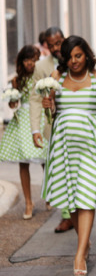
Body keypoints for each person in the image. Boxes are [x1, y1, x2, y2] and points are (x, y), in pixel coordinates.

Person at [41, 35, 96, 275]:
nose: (73, 62)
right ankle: (85, 242)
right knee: (72, 199)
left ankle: (80, 254)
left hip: (93, 147)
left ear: (87, 54)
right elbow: (50, 117)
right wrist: (47, 106)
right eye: (69, 58)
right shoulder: (56, 78)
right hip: (63, 148)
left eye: (78, 56)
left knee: (86, 196)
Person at [29, 26, 73, 233]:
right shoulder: (40, 66)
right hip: (52, 127)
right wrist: (35, 129)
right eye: (51, 44)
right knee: (60, 171)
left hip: (75, 123)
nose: (56, 48)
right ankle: (66, 216)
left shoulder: (76, 57)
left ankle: (78, 210)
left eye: (58, 43)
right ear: (45, 44)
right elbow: (35, 99)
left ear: (64, 39)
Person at [0, 45, 48, 220]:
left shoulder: (42, 76)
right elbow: (14, 106)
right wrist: (11, 99)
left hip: (40, 117)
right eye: (27, 60)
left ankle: (49, 195)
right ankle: (29, 202)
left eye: (34, 59)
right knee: (23, 162)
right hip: (22, 121)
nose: (30, 63)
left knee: (45, 159)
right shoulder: (16, 80)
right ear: (21, 61)